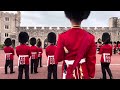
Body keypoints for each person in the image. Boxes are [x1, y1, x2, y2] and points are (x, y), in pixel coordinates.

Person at [54, 11, 96, 79]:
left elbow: (58, 58)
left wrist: (65, 52)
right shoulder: (90, 37)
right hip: (83, 72)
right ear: (82, 19)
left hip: (68, 71)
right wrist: (91, 74)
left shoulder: (62, 36)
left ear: (69, 18)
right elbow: (91, 60)